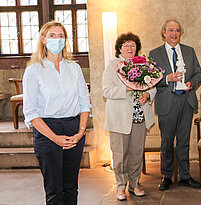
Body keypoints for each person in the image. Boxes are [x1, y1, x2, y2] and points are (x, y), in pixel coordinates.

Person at [22, 21, 91, 205]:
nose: (57, 39)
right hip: (47, 129)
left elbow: (85, 103)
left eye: (61, 36)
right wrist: (54, 137)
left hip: (74, 128)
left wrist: (81, 132)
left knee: (71, 186)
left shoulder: (74, 68)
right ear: (43, 40)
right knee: (54, 189)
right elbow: (30, 112)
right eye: (52, 35)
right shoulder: (34, 70)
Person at [149, 19, 201, 190]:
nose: (174, 33)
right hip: (167, 101)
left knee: (184, 141)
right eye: (171, 30)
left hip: (186, 101)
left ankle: (185, 176)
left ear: (181, 33)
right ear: (163, 32)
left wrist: (191, 84)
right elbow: (150, 79)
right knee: (166, 142)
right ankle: (167, 176)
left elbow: (199, 74)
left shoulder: (189, 51)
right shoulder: (154, 54)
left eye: (177, 30)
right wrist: (167, 78)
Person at [102, 32, 156, 200]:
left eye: (132, 45)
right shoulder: (113, 65)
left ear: (137, 48)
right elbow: (106, 90)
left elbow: (152, 85)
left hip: (139, 116)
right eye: (126, 45)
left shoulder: (143, 64)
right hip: (119, 118)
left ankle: (134, 184)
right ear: (119, 48)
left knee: (136, 153)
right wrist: (127, 88)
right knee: (120, 155)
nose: (129, 48)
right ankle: (120, 186)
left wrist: (147, 95)